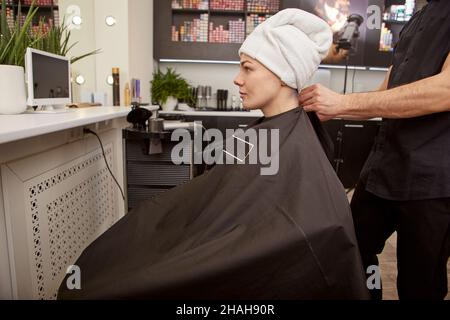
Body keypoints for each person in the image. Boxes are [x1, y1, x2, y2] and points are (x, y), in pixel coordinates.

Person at [58, 9, 369, 300]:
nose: (237, 78)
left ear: (284, 75)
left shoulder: (291, 141)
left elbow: (286, 229)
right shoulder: (278, 131)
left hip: (219, 249)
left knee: (116, 281)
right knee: (131, 240)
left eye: (248, 68)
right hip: (206, 234)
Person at [299, 0, 450, 300]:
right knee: (351, 253)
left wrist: (342, 103)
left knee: (419, 286)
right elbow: (387, 91)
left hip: (431, 181)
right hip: (383, 167)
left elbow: (445, 90)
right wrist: (333, 106)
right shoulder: (418, 16)